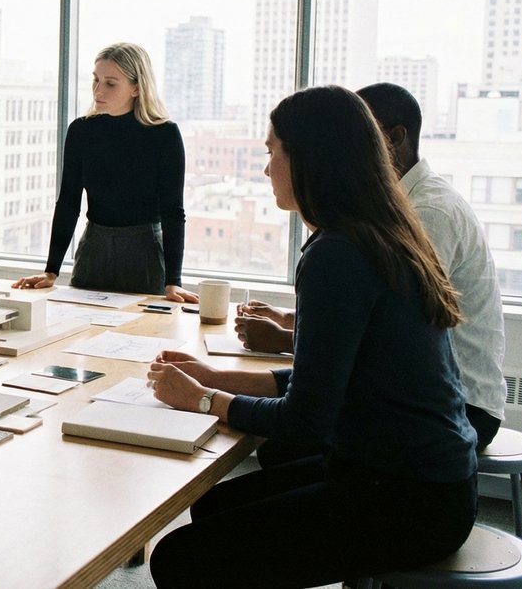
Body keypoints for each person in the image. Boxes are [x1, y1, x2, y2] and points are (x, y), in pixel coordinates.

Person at [145, 85, 477, 588]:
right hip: (420, 476)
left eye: (271, 152)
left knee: (179, 559)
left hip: (408, 497)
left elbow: (306, 419)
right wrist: (219, 377)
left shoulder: (337, 254)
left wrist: (204, 399)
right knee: (215, 504)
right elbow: (331, 376)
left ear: (308, 159)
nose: (265, 169)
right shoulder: (378, 230)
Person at [234, 82, 506, 450]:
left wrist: (283, 340)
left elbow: (391, 334)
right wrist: (288, 322)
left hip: (461, 406)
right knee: (281, 452)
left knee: (286, 448)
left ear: (392, 139)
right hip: (424, 402)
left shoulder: (427, 212)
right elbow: (379, 317)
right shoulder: (377, 220)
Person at [14, 43, 197, 302]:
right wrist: (51, 270)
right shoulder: (81, 131)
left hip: (144, 255)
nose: (98, 91)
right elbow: (68, 202)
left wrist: (173, 282)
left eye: (111, 83)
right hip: (93, 252)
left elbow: (173, 212)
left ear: (136, 88)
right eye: (96, 80)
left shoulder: (165, 135)